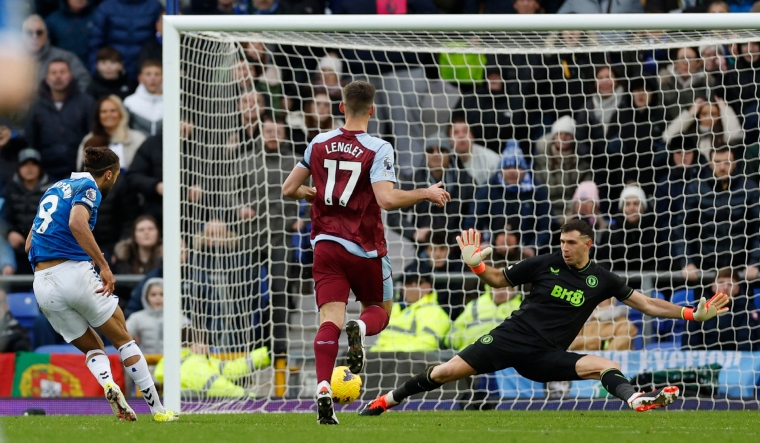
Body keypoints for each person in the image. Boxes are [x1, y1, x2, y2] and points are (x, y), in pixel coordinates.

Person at [359, 221, 730, 416]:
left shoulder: (602, 279)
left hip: (544, 357)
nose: (564, 247)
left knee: (605, 363)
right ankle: (386, 401)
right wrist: (476, 264)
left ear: (588, 244)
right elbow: (498, 279)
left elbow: (646, 304)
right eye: (562, 241)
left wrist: (689, 313)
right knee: (443, 373)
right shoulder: (543, 263)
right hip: (510, 339)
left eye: (571, 242)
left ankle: (636, 400)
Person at [282, 80, 451, 425]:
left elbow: (288, 189)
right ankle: (360, 325)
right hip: (364, 248)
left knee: (329, 320)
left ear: (341, 107)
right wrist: (425, 192)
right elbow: (387, 199)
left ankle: (324, 386)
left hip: (326, 246)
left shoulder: (318, 142)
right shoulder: (379, 147)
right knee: (379, 311)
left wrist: (313, 195)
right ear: (372, 110)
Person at [26, 146, 177, 422]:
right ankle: (158, 411)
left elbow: (29, 243)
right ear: (109, 174)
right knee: (123, 339)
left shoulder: (55, 188)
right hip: (73, 271)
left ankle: (108, 384)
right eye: (116, 176)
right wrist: (104, 265)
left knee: (94, 347)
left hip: (42, 283)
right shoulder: (90, 187)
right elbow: (76, 222)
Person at [25, 58, 96, 180]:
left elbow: (93, 137)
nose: (58, 76)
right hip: (45, 174)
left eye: (62, 72)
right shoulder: (35, 106)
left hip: (79, 172)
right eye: (53, 73)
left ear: (71, 75)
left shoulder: (86, 103)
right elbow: (30, 140)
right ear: (47, 78)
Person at [369, 271, 450, 353]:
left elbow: (428, 344)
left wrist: (396, 354)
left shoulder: (433, 311)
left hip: (410, 360)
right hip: (386, 358)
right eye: (408, 282)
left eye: (418, 282)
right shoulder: (394, 310)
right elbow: (380, 343)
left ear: (429, 286)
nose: (413, 286)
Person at [3, 148, 52, 275]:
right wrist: (10, 232)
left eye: (33, 164)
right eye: (25, 164)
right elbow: (3, 217)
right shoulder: (10, 189)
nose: (29, 168)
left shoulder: (52, 190)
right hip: (17, 249)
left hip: (45, 249)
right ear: (18, 167)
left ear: (40, 167)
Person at [22, 14, 91, 92]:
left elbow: (84, 79)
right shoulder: (10, 60)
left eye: (39, 32)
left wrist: (70, 101)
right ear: (22, 35)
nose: (34, 36)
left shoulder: (65, 57)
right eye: (29, 32)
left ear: (46, 34)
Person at [123, 59, 163, 136]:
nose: (152, 78)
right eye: (148, 74)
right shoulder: (129, 102)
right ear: (140, 78)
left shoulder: (175, 102)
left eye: (157, 74)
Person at [125, 277, 164, 354]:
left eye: (162, 294)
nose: (158, 298)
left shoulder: (178, 318)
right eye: (153, 295)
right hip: (146, 363)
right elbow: (122, 336)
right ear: (146, 297)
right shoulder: (136, 318)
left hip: (172, 364)